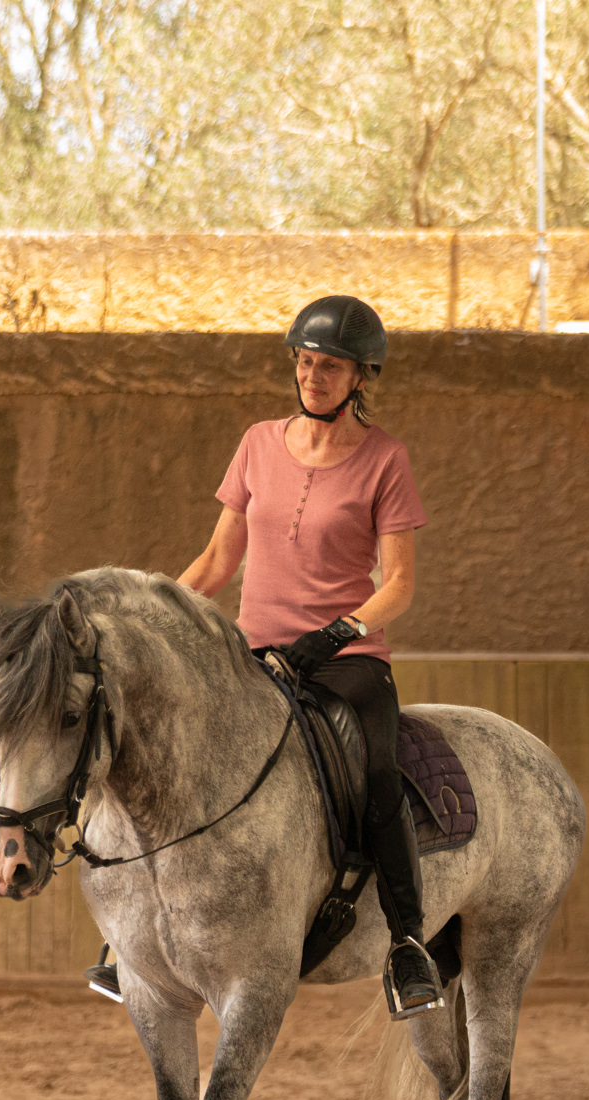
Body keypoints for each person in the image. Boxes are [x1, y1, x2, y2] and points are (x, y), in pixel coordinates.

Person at [171, 294, 444, 1018]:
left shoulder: (386, 459)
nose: (311, 375)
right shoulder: (258, 442)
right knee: (168, 744)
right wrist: (156, 611)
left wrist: (337, 631)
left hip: (346, 658)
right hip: (253, 651)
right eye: (303, 360)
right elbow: (216, 558)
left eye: (328, 366)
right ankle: (137, 932)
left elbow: (403, 585)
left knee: (376, 768)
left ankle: (409, 944)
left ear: (362, 377)